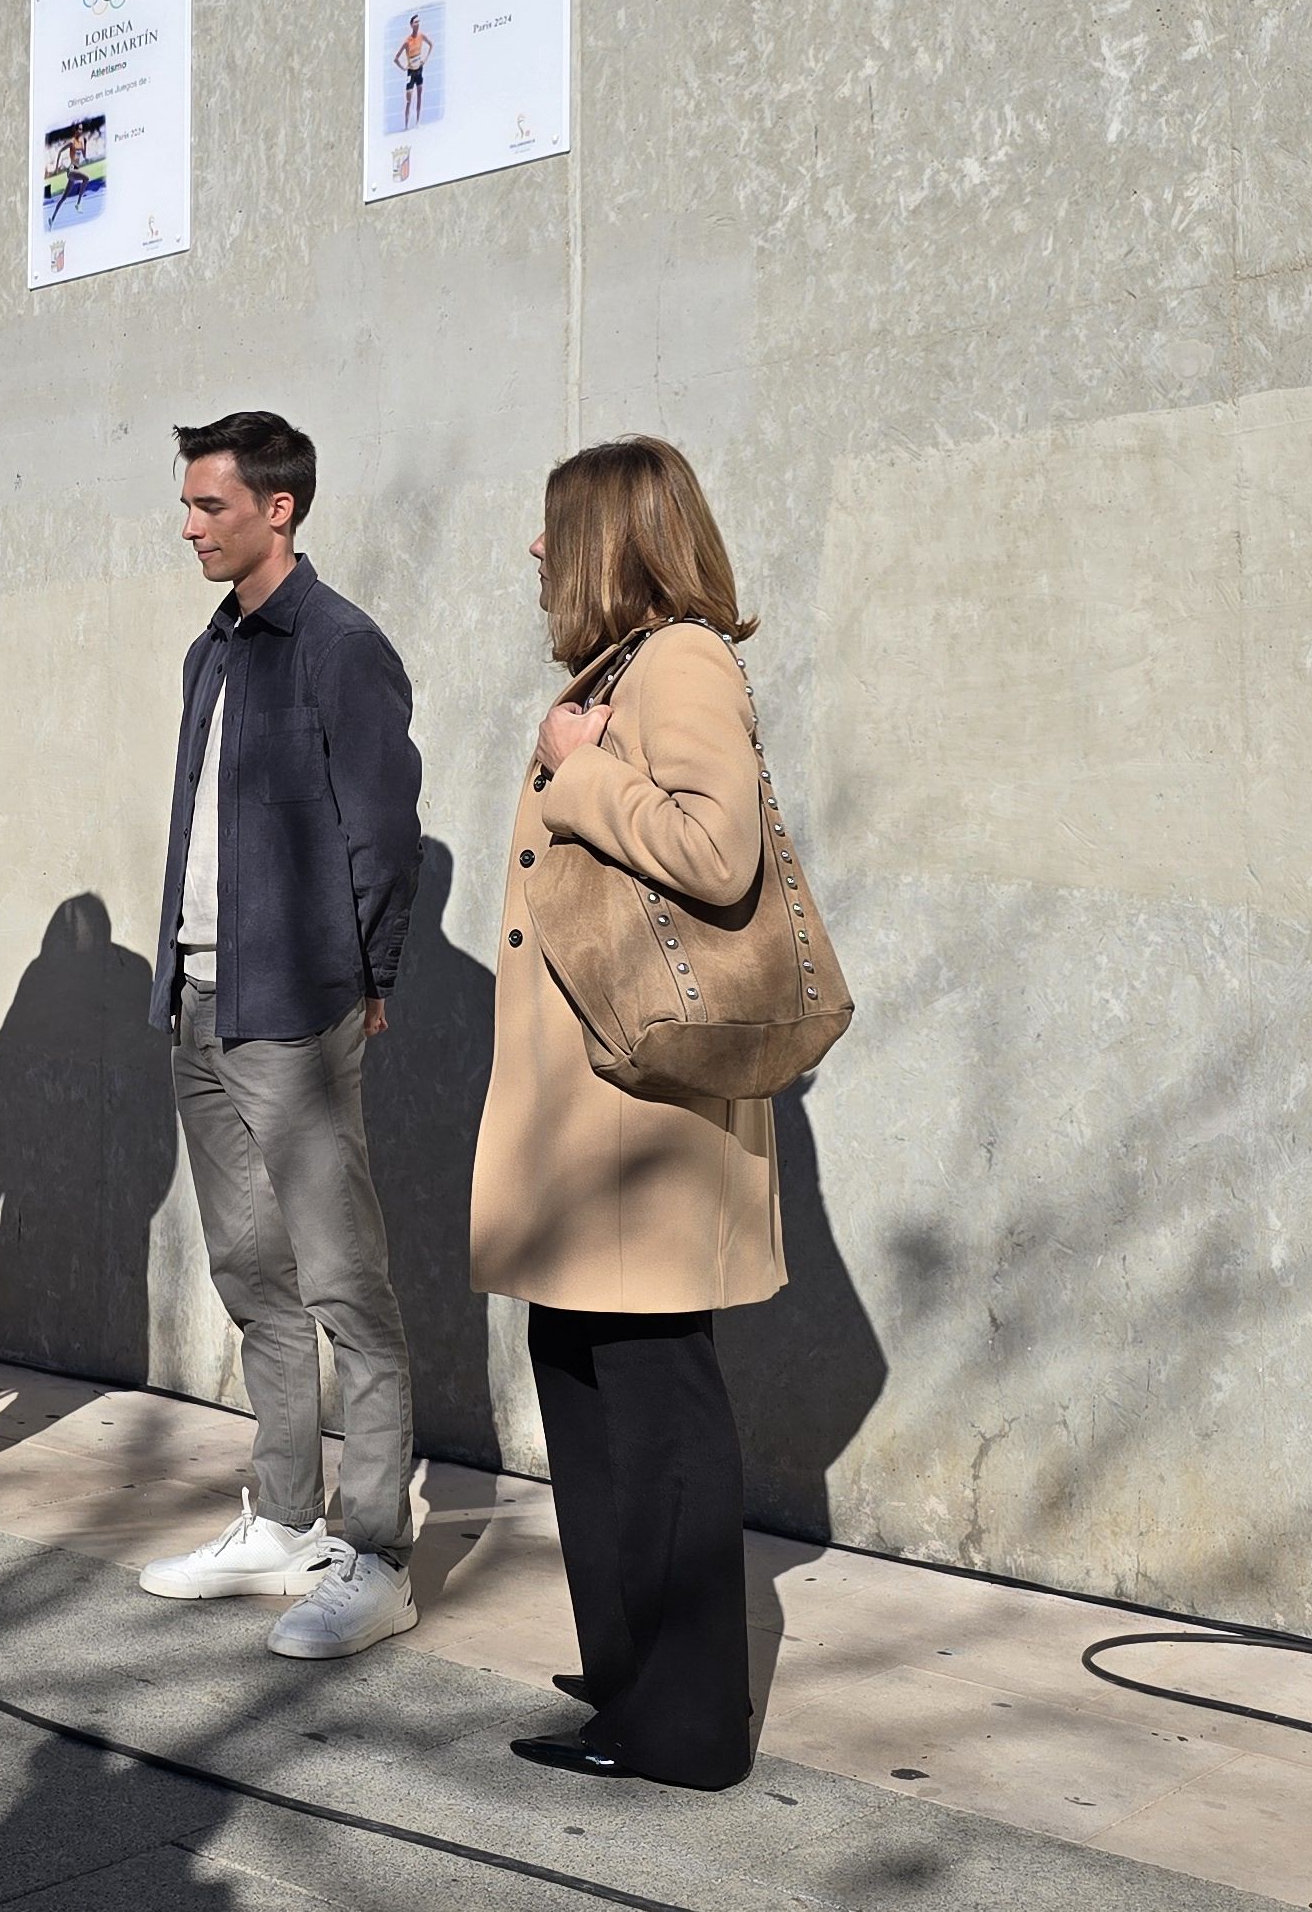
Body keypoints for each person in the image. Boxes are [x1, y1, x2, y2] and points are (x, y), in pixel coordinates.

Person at [474, 435, 783, 1792]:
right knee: (597, 1409)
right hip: (591, 1127)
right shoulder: (617, 675)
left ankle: (687, 1728)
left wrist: (577, 771)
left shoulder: (684, 664)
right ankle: (633, 1682)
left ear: (607, 536)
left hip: (639, 1125)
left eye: (554, 531)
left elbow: (719, 852)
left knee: (654, 1422)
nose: (536, 555)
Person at [131, 413, 429, 1660]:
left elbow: (385, 829)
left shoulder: (342, 646)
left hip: (293, 1009)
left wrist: (365, 975)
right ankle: (289, 1517)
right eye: (188, 503)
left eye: (210, 505)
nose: (190, 524)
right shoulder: (216, 647)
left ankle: (379, 1551)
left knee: (342, 1282)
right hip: (200, 997)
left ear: (279, 510)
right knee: (254, 1279)